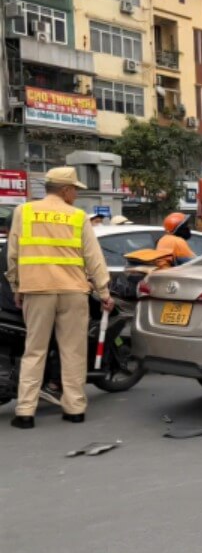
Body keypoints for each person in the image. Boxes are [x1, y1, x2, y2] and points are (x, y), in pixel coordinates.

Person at [5, 167, 114, 429]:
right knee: (73, 352)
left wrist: (17, 287)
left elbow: (13, 254)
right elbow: (94, 259)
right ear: (65, 190)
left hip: (37, 290)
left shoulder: (24, 211)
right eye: (75, 189)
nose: (76, 194)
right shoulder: (78, 217)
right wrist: (104, 293)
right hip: (73, 292)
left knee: (34, 351)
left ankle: (25, 412)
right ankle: (74, 409)